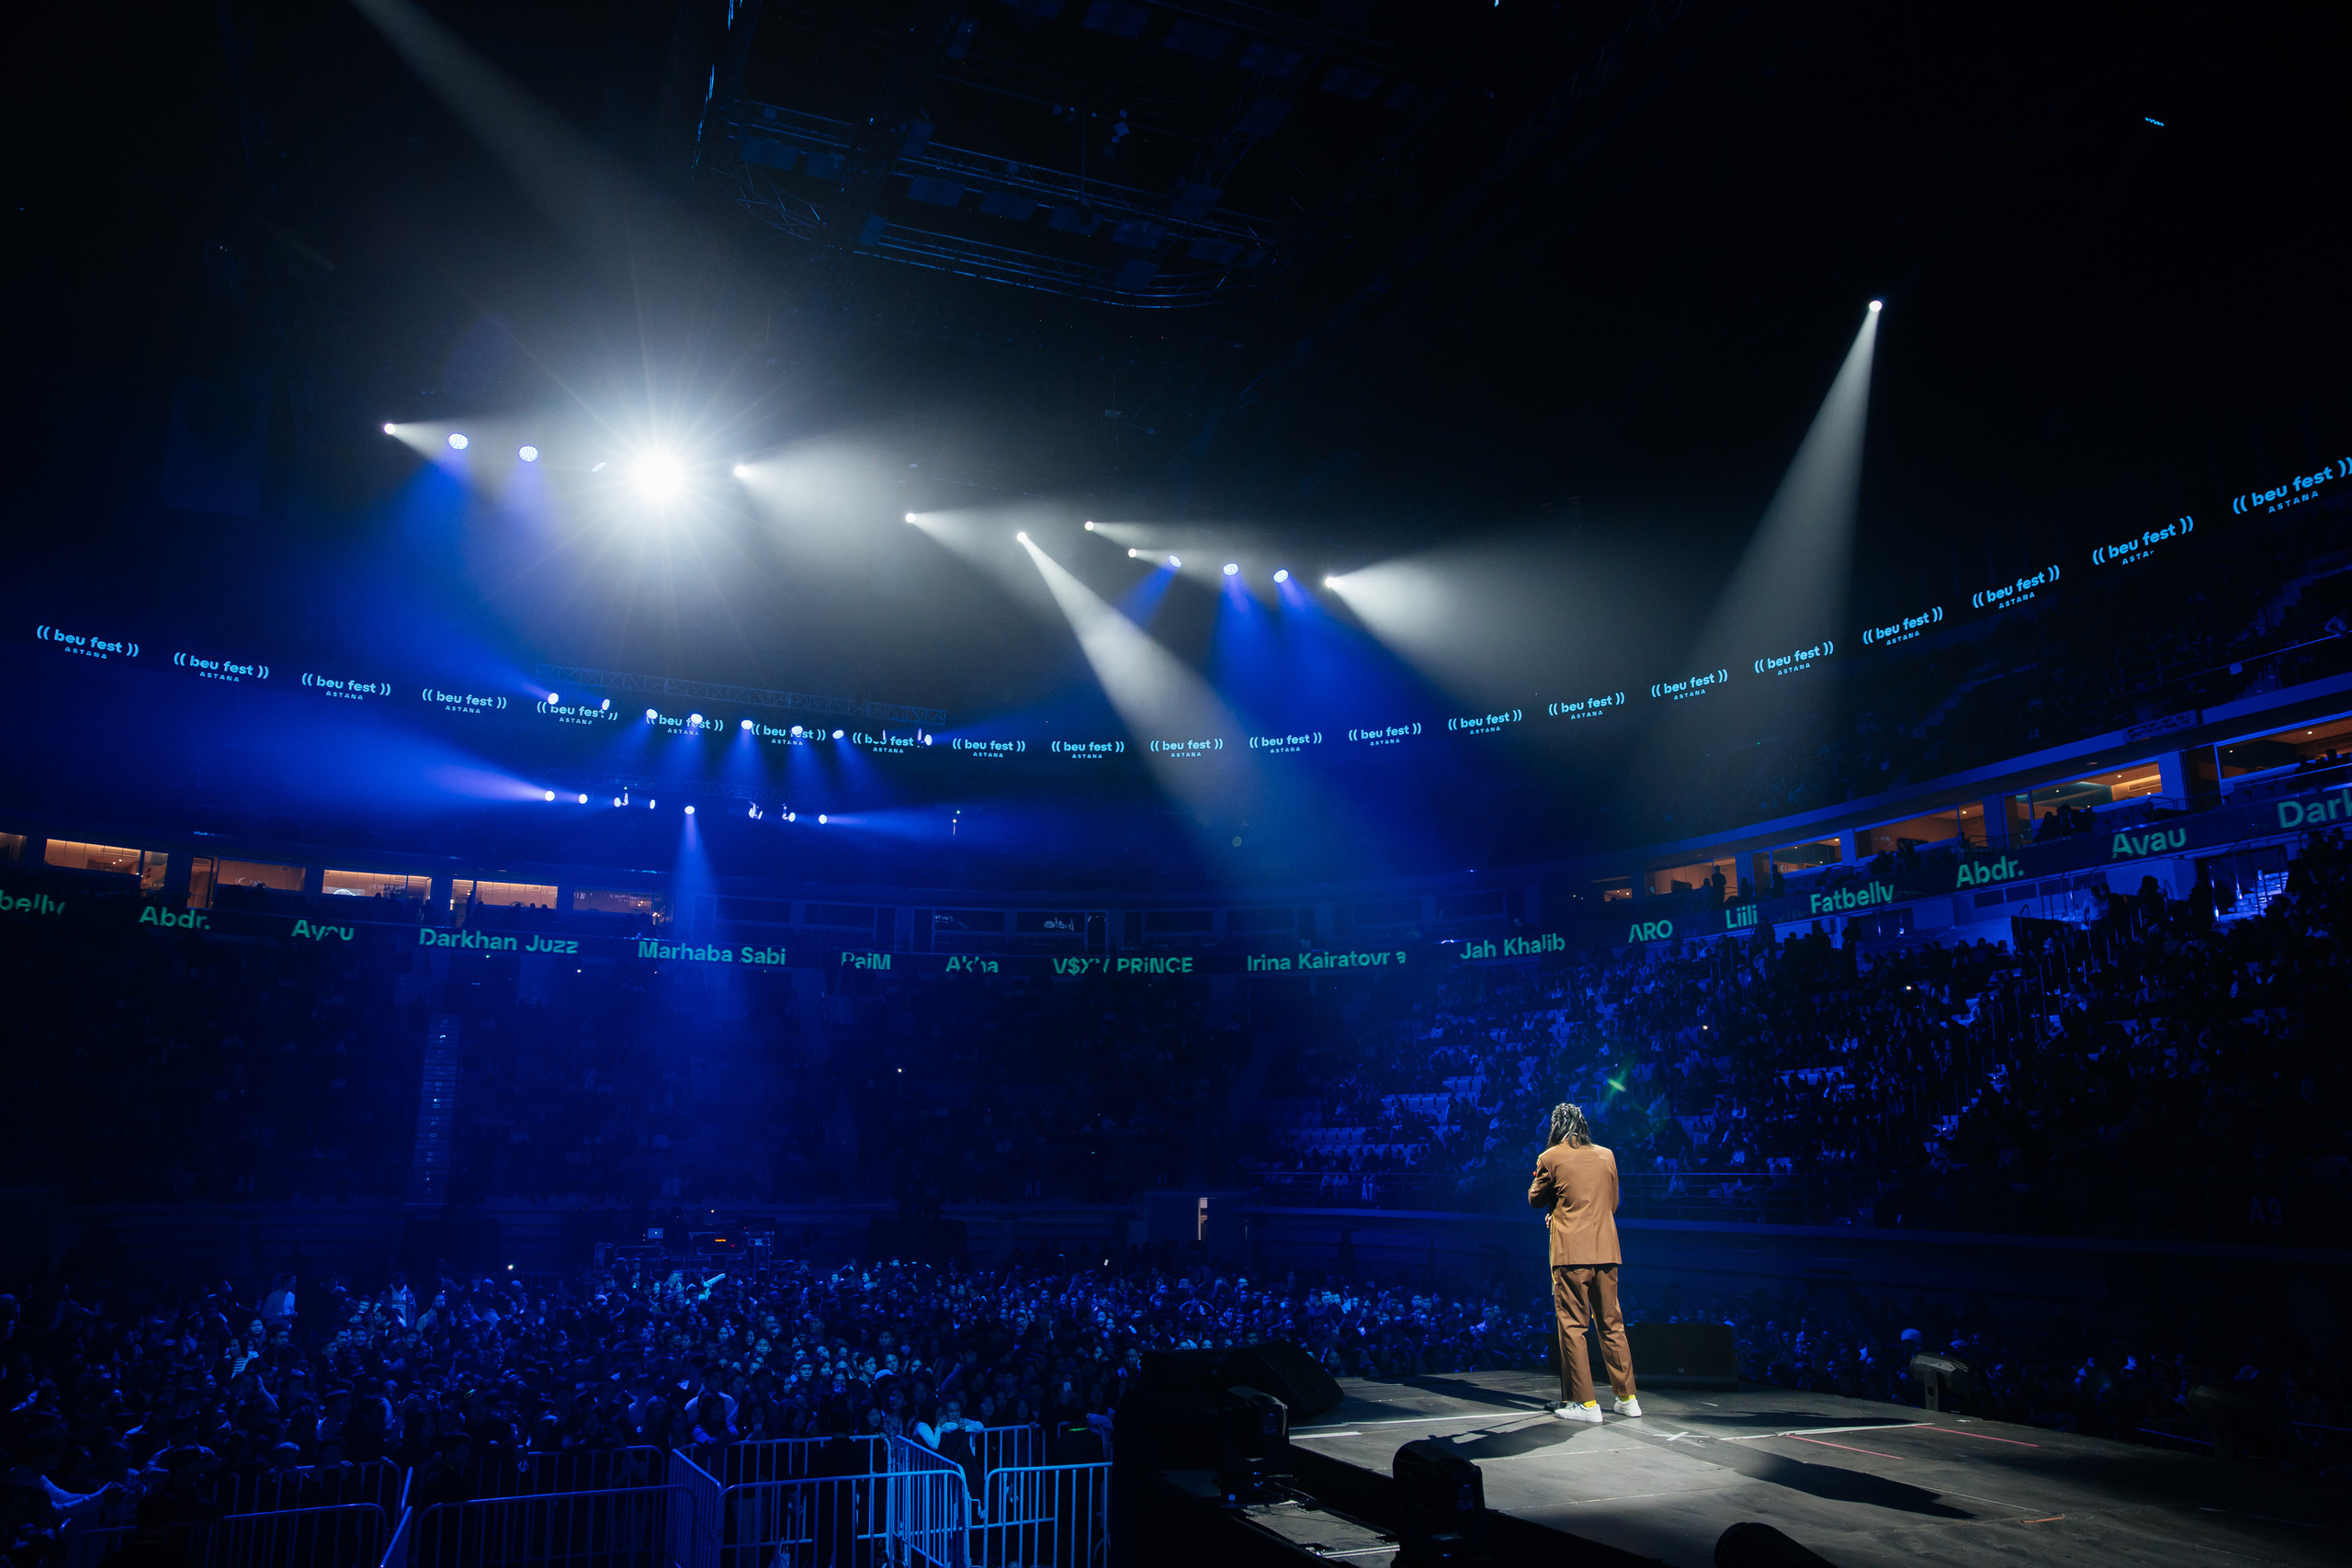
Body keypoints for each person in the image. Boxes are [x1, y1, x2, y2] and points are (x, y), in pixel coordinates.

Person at [1527, 1101, 1638, 1423]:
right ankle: (1628, 1398)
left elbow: (1535, 1198)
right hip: (1606, 1250)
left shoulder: (1550, 1157)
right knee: (1612, 1323)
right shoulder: (1607, 1155)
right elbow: (1612, 1203)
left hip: (1571, 1255)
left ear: (1555, 1127)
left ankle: (1585, 1404)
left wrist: (1556, 1211)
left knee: (1574, 1326)